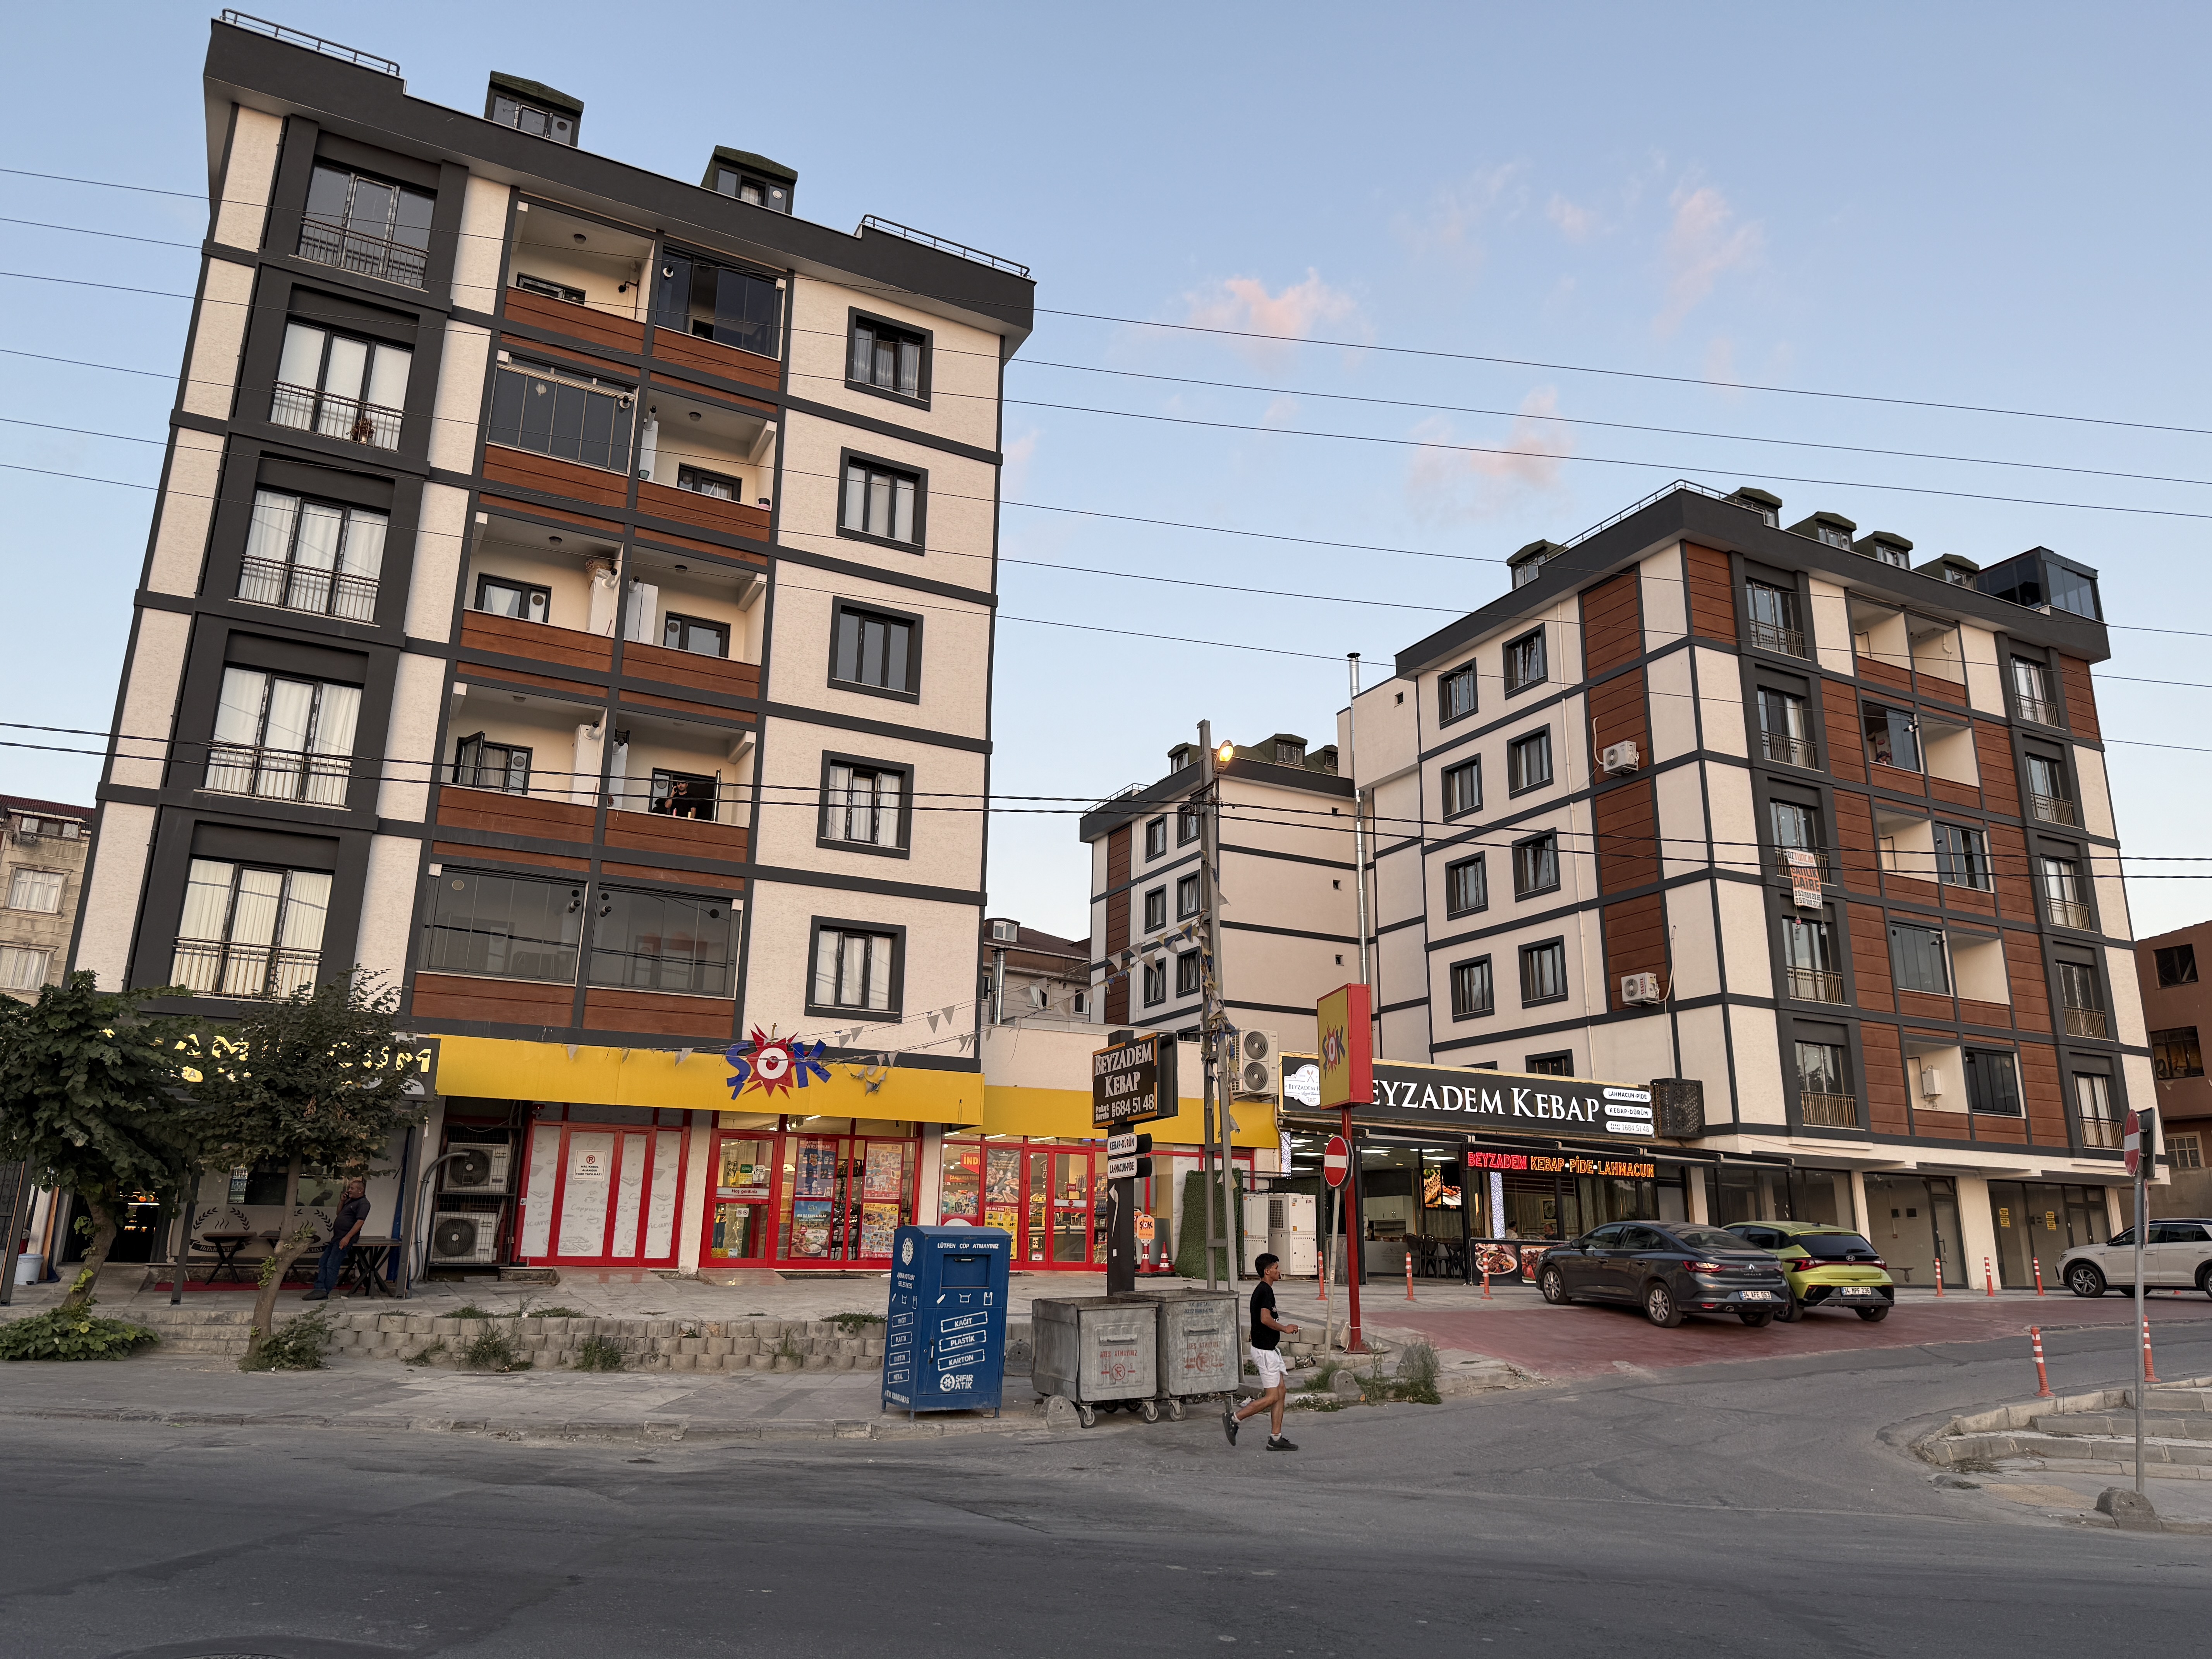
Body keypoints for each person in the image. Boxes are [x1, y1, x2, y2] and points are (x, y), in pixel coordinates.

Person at [1224, 1252, 1300, 1452]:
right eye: (1276, 1268)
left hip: (1268, 1349)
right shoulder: (1265, 1291)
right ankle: (1234, 1418)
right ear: (1268, 1271)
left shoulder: (1263, 1290)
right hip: (1265, 1352)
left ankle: (1276, 1438)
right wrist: (1285, 1328)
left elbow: (1258, 1318)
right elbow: (1265, 1319)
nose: (1279, 1271)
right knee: (1273, 1396)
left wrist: (1255, 1332)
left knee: (1281, 1392)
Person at [302, 1178, 370, 1301]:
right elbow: (339, 1213)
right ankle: (319, 1288)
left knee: (332, 1264)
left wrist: (347, 1238)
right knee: (323, 1262)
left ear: (360, 1191)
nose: (349, 1190)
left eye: (352, 1188)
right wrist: (342, 1201)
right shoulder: (350, 1201)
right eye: (349, 1188)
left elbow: (360, 1222)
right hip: (336, 1238)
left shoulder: (363, 1204)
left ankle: (325, 1291)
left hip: (345, 1239)